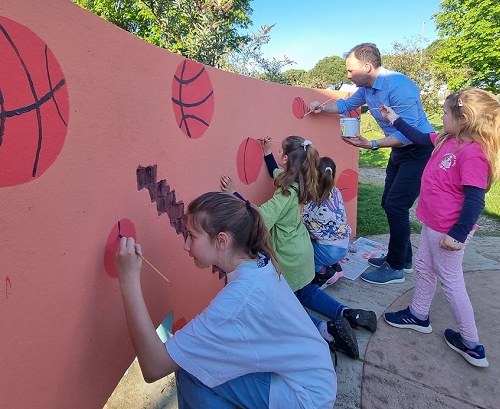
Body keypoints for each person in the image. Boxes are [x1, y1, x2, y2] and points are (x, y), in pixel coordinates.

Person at [114, 192, 337, 408]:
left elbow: (154, 366)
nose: (186, 245)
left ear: (222, 241)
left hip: (305, 396)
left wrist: (128, 280)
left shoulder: (237, 302)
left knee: (191, 368)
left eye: (192, 236)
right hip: (316, 376)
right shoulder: (257, 260)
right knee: (198, 360)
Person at [380, 88, 500, 368]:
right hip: (434, 223)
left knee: (451, 281)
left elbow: (475, 199)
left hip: (449, 230)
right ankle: (418, 314)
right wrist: (395, 119)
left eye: (446, 113)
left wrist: (458, 235)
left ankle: (472, 344)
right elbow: (418, 137)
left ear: (463, 118)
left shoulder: (473, 153)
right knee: (425, 268)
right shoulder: (448, 140)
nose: (441, 116)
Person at [220, 135, 377, 360]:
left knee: (285, 307)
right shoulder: (304, 181)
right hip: (303, 250)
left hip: (288, 256)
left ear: (285, 158)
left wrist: (233, 193)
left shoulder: (284, 193)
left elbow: (261, 218)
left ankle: (327, 330)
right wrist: (267, 154)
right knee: (307, 291)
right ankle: (347, 313)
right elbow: (277, 174)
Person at [308, 43, 434, 285]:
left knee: (397, 206)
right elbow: (346, 105)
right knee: (388, 202)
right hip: (399, 150)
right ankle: (403, 258)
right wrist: (321, 108)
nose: (347, 75)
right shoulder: (366, 88)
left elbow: (408, 134)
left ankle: (395, 268)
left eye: (350, 70)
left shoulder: (400, 86)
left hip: (419, 149)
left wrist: (372, 144)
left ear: (367, 66)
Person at [302, 156, 351, 287]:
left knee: (301, 254)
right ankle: (336, 266)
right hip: (344, 245)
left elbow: (305, 226)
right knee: (326, 236)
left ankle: (326, 272)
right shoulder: (336, 192)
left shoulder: (313, 203)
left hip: (330, 251)